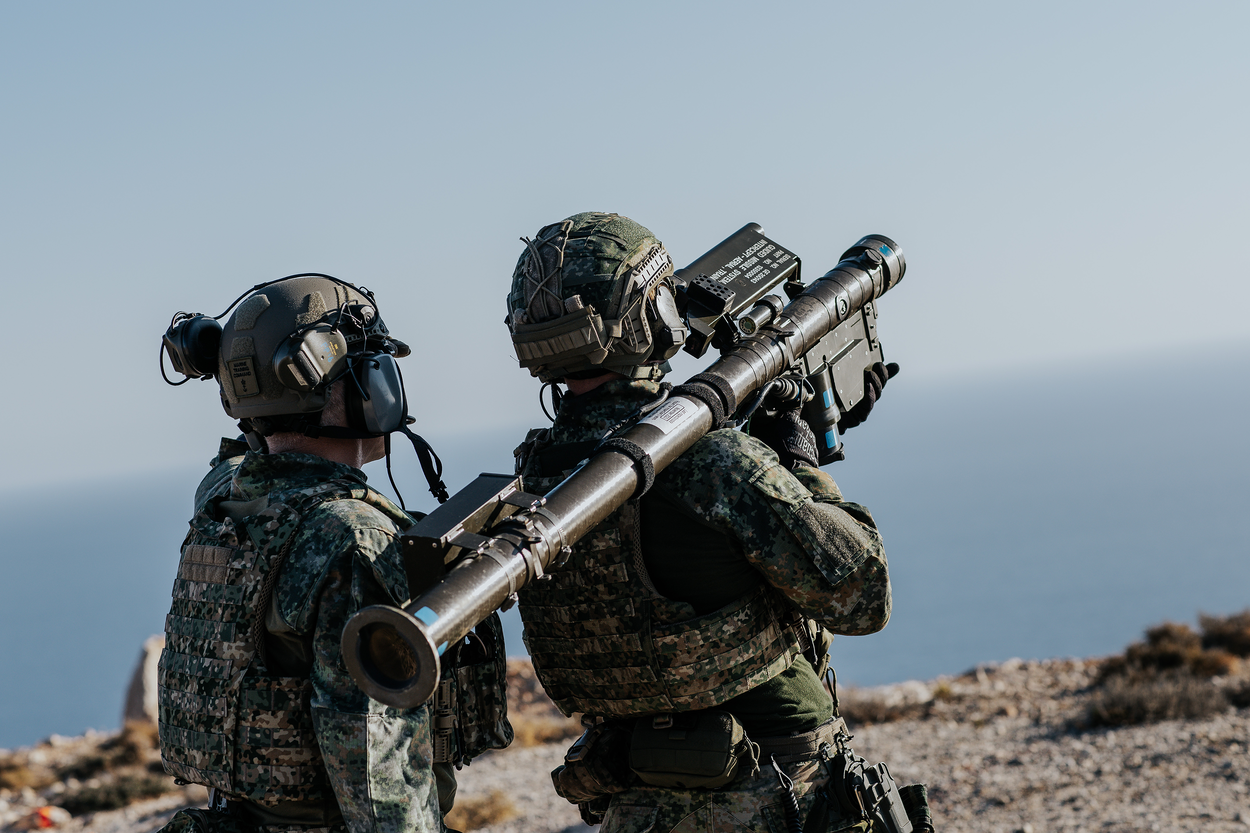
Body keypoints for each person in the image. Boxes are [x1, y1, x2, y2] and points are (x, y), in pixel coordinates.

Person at [505, 213, 928, 832]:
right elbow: (862, 596)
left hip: (636, 805)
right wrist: (800, 462)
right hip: (776, 791)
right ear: (652, 313)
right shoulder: (710, 462)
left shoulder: (536, 480)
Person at [156, 275, 510, 833]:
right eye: (375, 367)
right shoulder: (351, 537)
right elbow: (377, 767)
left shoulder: (224, 500)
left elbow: (238, 464)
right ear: (344, 382)